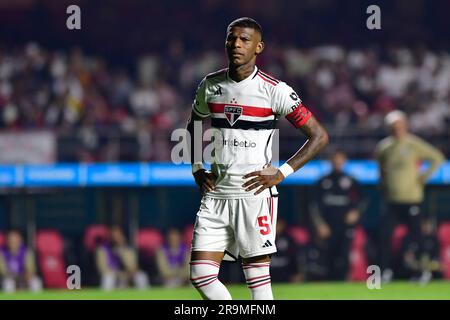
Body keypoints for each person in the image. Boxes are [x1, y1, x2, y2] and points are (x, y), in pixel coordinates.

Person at [186, 17, 328, 300]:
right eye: (231, 38)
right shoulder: (210, 85)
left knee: (258, 283)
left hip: (254, 194)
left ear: (258, 47)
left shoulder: (275, 90)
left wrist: (282, 172)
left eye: (244, 40)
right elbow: (194, 125)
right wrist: (197, 166)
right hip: (216, 195)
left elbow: (319, 136)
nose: (236, 44)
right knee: (200, 274)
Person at [375, 110, 445, 282]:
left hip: (412, 198)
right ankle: (385, 271)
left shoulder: (414, 144)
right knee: (384, 235)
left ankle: (422, 272)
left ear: (405, 126)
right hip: (392, 199)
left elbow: (437, 158)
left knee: (417, 237)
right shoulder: (384, 147)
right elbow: (381, 170)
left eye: (399, 125)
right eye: (393, 126)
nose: (397, 129)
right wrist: (383, 186)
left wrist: (424, 176)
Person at [309, 149, 364, 280]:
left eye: (340, 159)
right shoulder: (322, 181)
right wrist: (320, 224)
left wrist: (356, 212)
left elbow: (362, 201)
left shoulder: (352, 181)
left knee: (344, 254)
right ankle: (329, 283)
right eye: (335, 159)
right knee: (328, 255)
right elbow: (313, 205)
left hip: (345, 226)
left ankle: (343, 281)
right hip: (328, 226)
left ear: (344, 161)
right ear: (331, 161)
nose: (338, 162)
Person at [96, 226, 149, 291]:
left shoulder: (128, 249)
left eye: (118, 235)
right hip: (112, 274)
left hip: (126, 274)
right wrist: (116, 273)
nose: (116, 238)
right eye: (114, 236)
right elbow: (102, 268)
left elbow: (133, 266)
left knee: (141, 276)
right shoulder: (103, 249)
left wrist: (122, 250)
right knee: (108, 277)